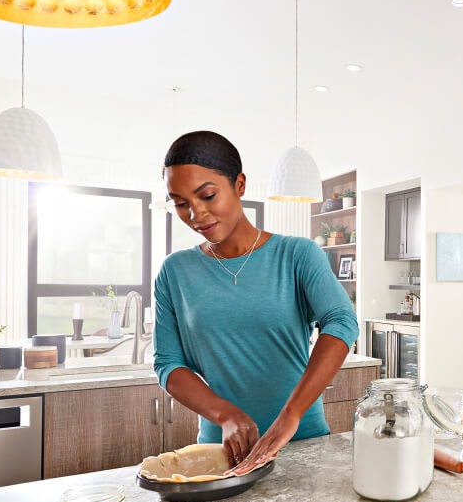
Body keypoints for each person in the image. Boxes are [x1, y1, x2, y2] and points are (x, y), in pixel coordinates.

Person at [153, 131, 359, 475]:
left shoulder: (297, 254)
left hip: (302, 444)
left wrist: (290, 416)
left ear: (240, 185)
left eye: (207, 195)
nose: (196, 213)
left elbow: (341, 321)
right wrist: (226, 415)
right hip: (220, 451)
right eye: (180, 203)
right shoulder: (175, 271)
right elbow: (168, 364)